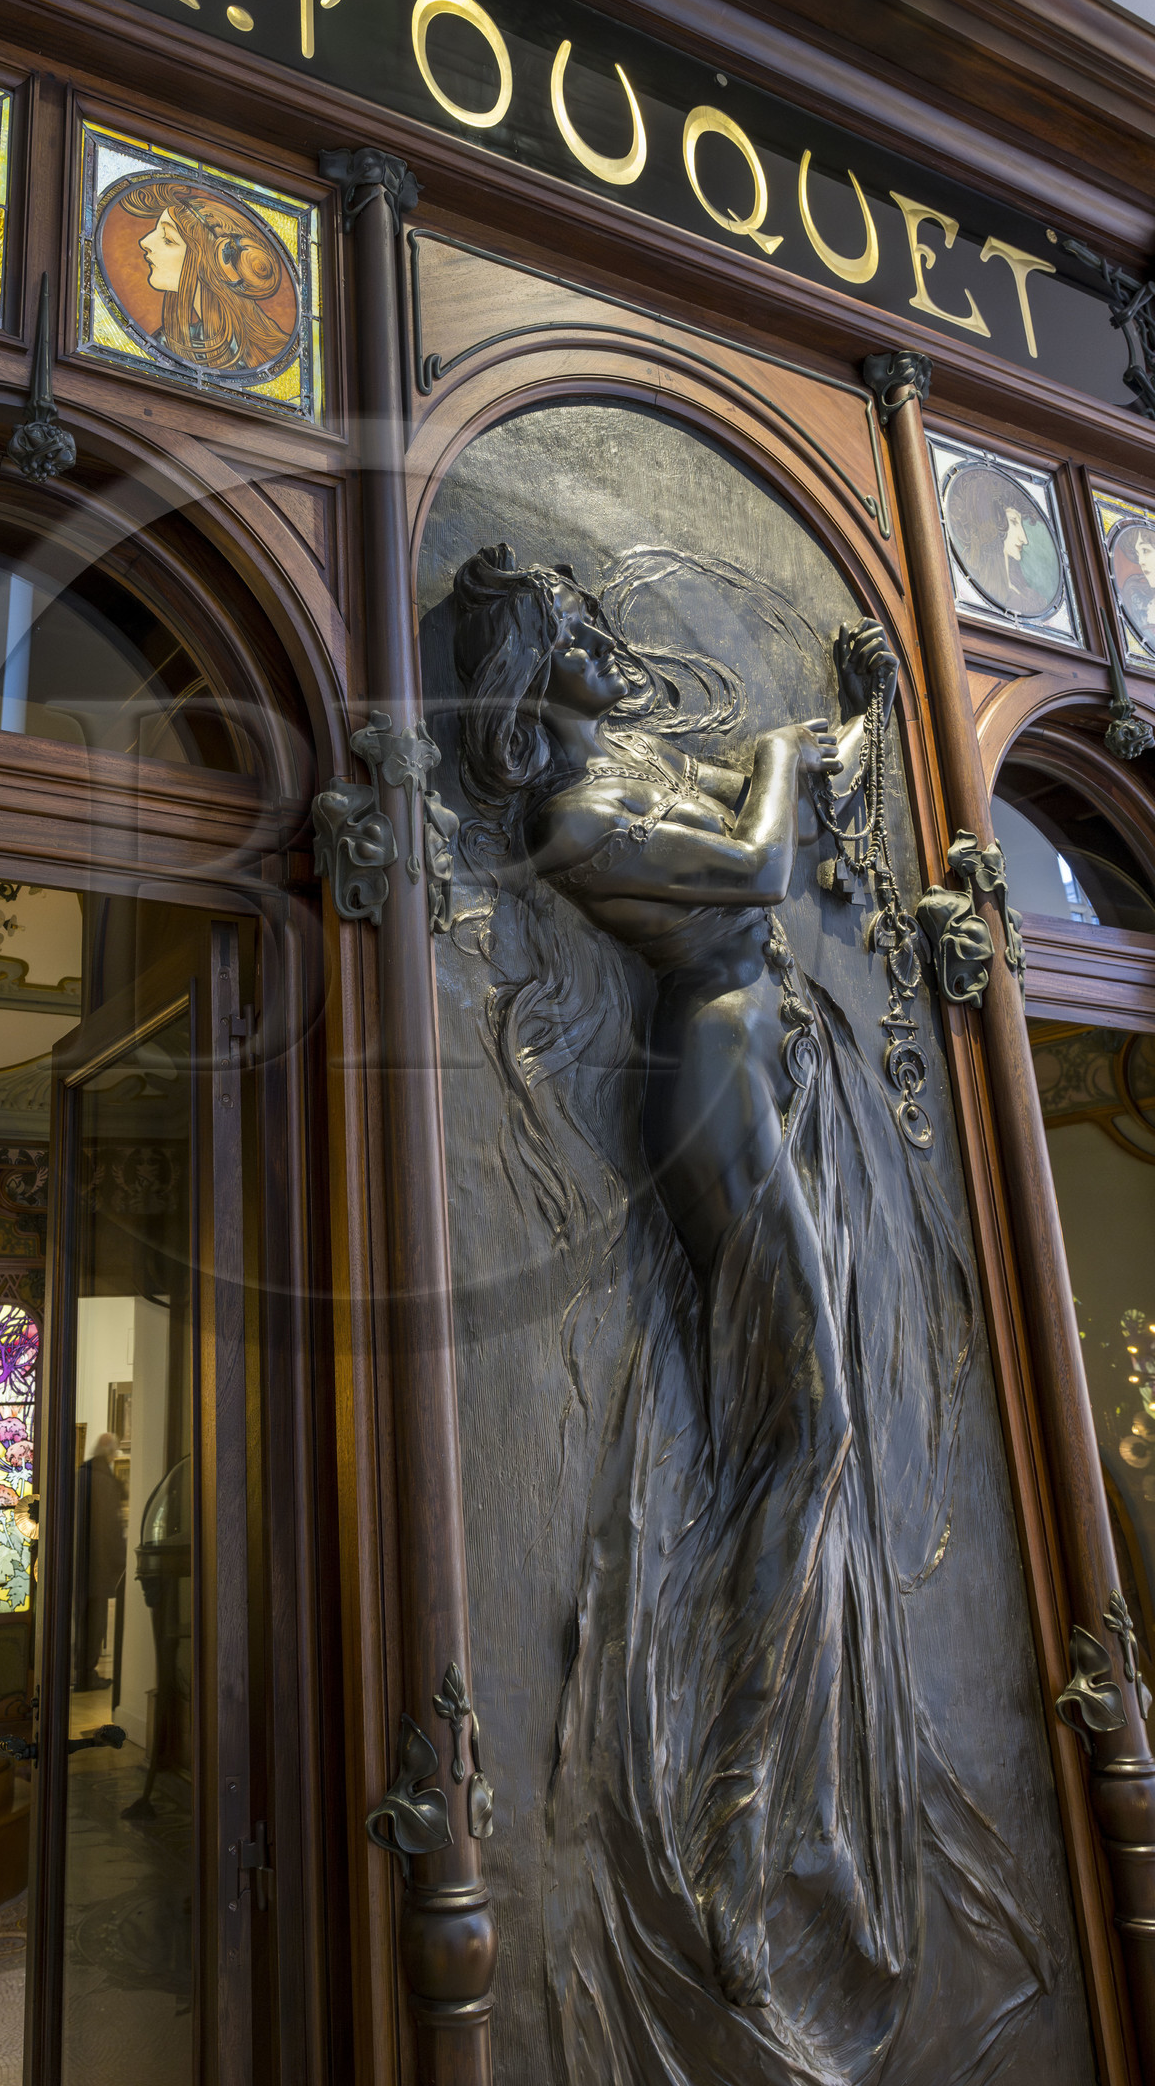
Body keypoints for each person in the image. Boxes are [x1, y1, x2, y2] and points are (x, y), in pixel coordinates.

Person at [451, 544, 1051, 2081]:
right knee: (813, 1424)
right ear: (531, 671)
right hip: (713, 1089)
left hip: (777, 1073)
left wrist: (857, 710)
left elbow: (806, 810)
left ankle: (777, 1792)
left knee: (807, 1425)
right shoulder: (575, 815)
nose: (600, 638)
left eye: (594, 616)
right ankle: (740, 1809)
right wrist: (788, 758)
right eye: (571, 630)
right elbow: (760, 868)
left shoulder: (640, 768)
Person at [119, 174, 293, 373]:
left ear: (211, 264)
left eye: (168, 239)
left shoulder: (269, 358)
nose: (145, 242)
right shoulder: (168, 343)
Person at [75, 1429, 126, 1692]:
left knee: (79, 1620)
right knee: (94, 1623)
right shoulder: (104, 1482)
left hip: (77, 1566)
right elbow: (110, 1529)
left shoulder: (80, 1476)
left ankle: (79, 1673)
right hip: (97, 1566)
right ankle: (86, 1675)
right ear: (110, 1454)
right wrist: (121, 1561)